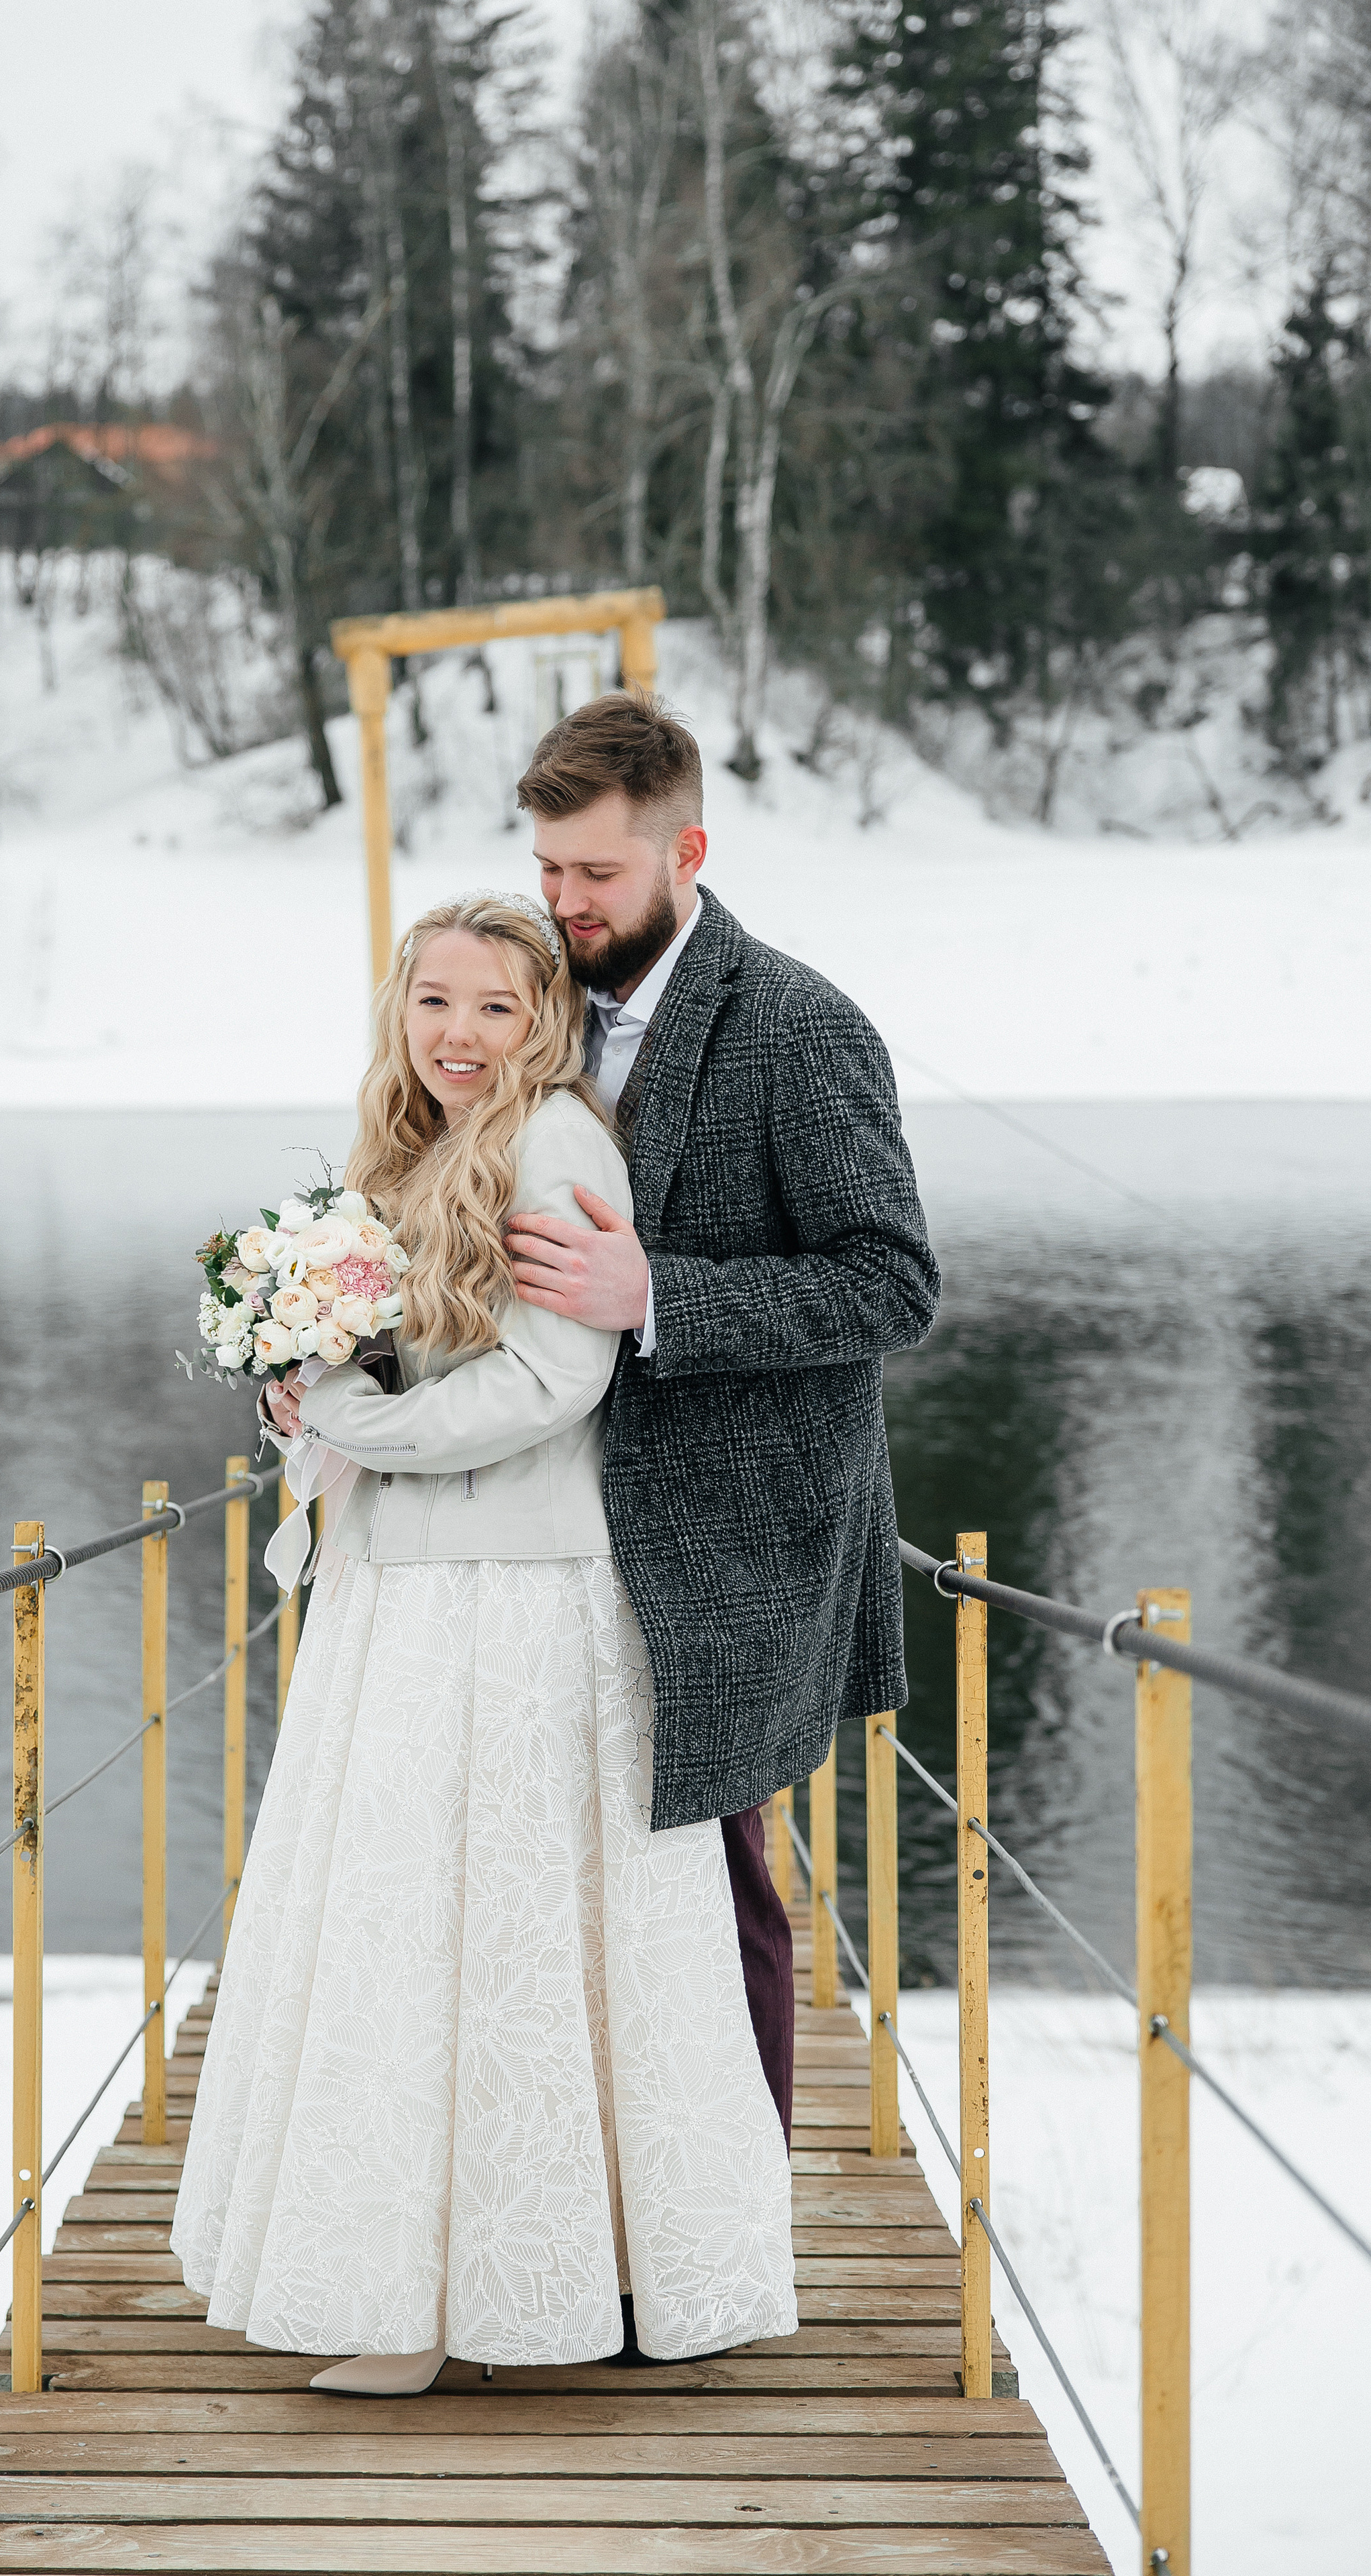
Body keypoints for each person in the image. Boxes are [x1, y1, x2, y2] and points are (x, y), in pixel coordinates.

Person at [170, 890, 797, 2395]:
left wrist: (362, 1425)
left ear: (548, 1023)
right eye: (434, 1002)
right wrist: (300, 1378)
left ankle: (505, 2288)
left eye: (495, 1009)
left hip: (516, 1595)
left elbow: (554, 1379)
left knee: (503, 1932)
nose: (458, 1034)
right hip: (409, 1586)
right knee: (400, 1926)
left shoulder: (554, 1141)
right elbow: (400, 1355)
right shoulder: (409, 1146)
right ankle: (410, 2277)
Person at [505, 694, 942, 2171]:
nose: (562, 905)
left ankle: (725, 2226)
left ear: (685, 849)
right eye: (547, 872)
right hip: (546, 1527)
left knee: (717, 1882)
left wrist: (656, 1295)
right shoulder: (530, 1007)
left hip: (735, 1541)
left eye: (595, 876)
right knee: (563, 1886)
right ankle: (587, 2201)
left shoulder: (802, 1027)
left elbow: (889, 1284)